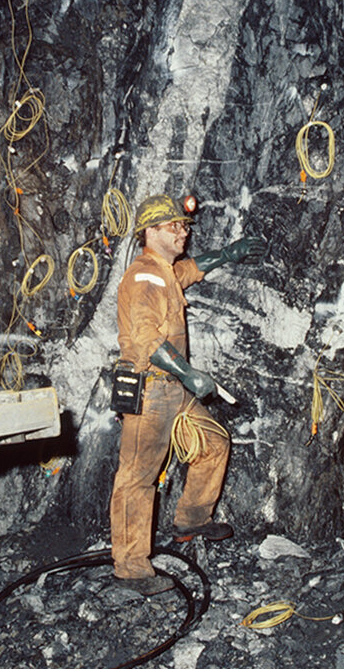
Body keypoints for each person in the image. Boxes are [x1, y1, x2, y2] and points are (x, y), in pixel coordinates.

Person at [109, 194, 265, 595]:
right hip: (152, 391)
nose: (184, 232)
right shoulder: (144, 276)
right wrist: (189, 372)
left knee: (213, 443)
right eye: (174, 226)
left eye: (184, 225)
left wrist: (230, 253)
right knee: (137, 479)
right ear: (151, 231)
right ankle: (131, 569)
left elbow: (193, 270)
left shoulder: (164, 271)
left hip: (173, 391)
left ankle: (192, 519)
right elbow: (146, 339)